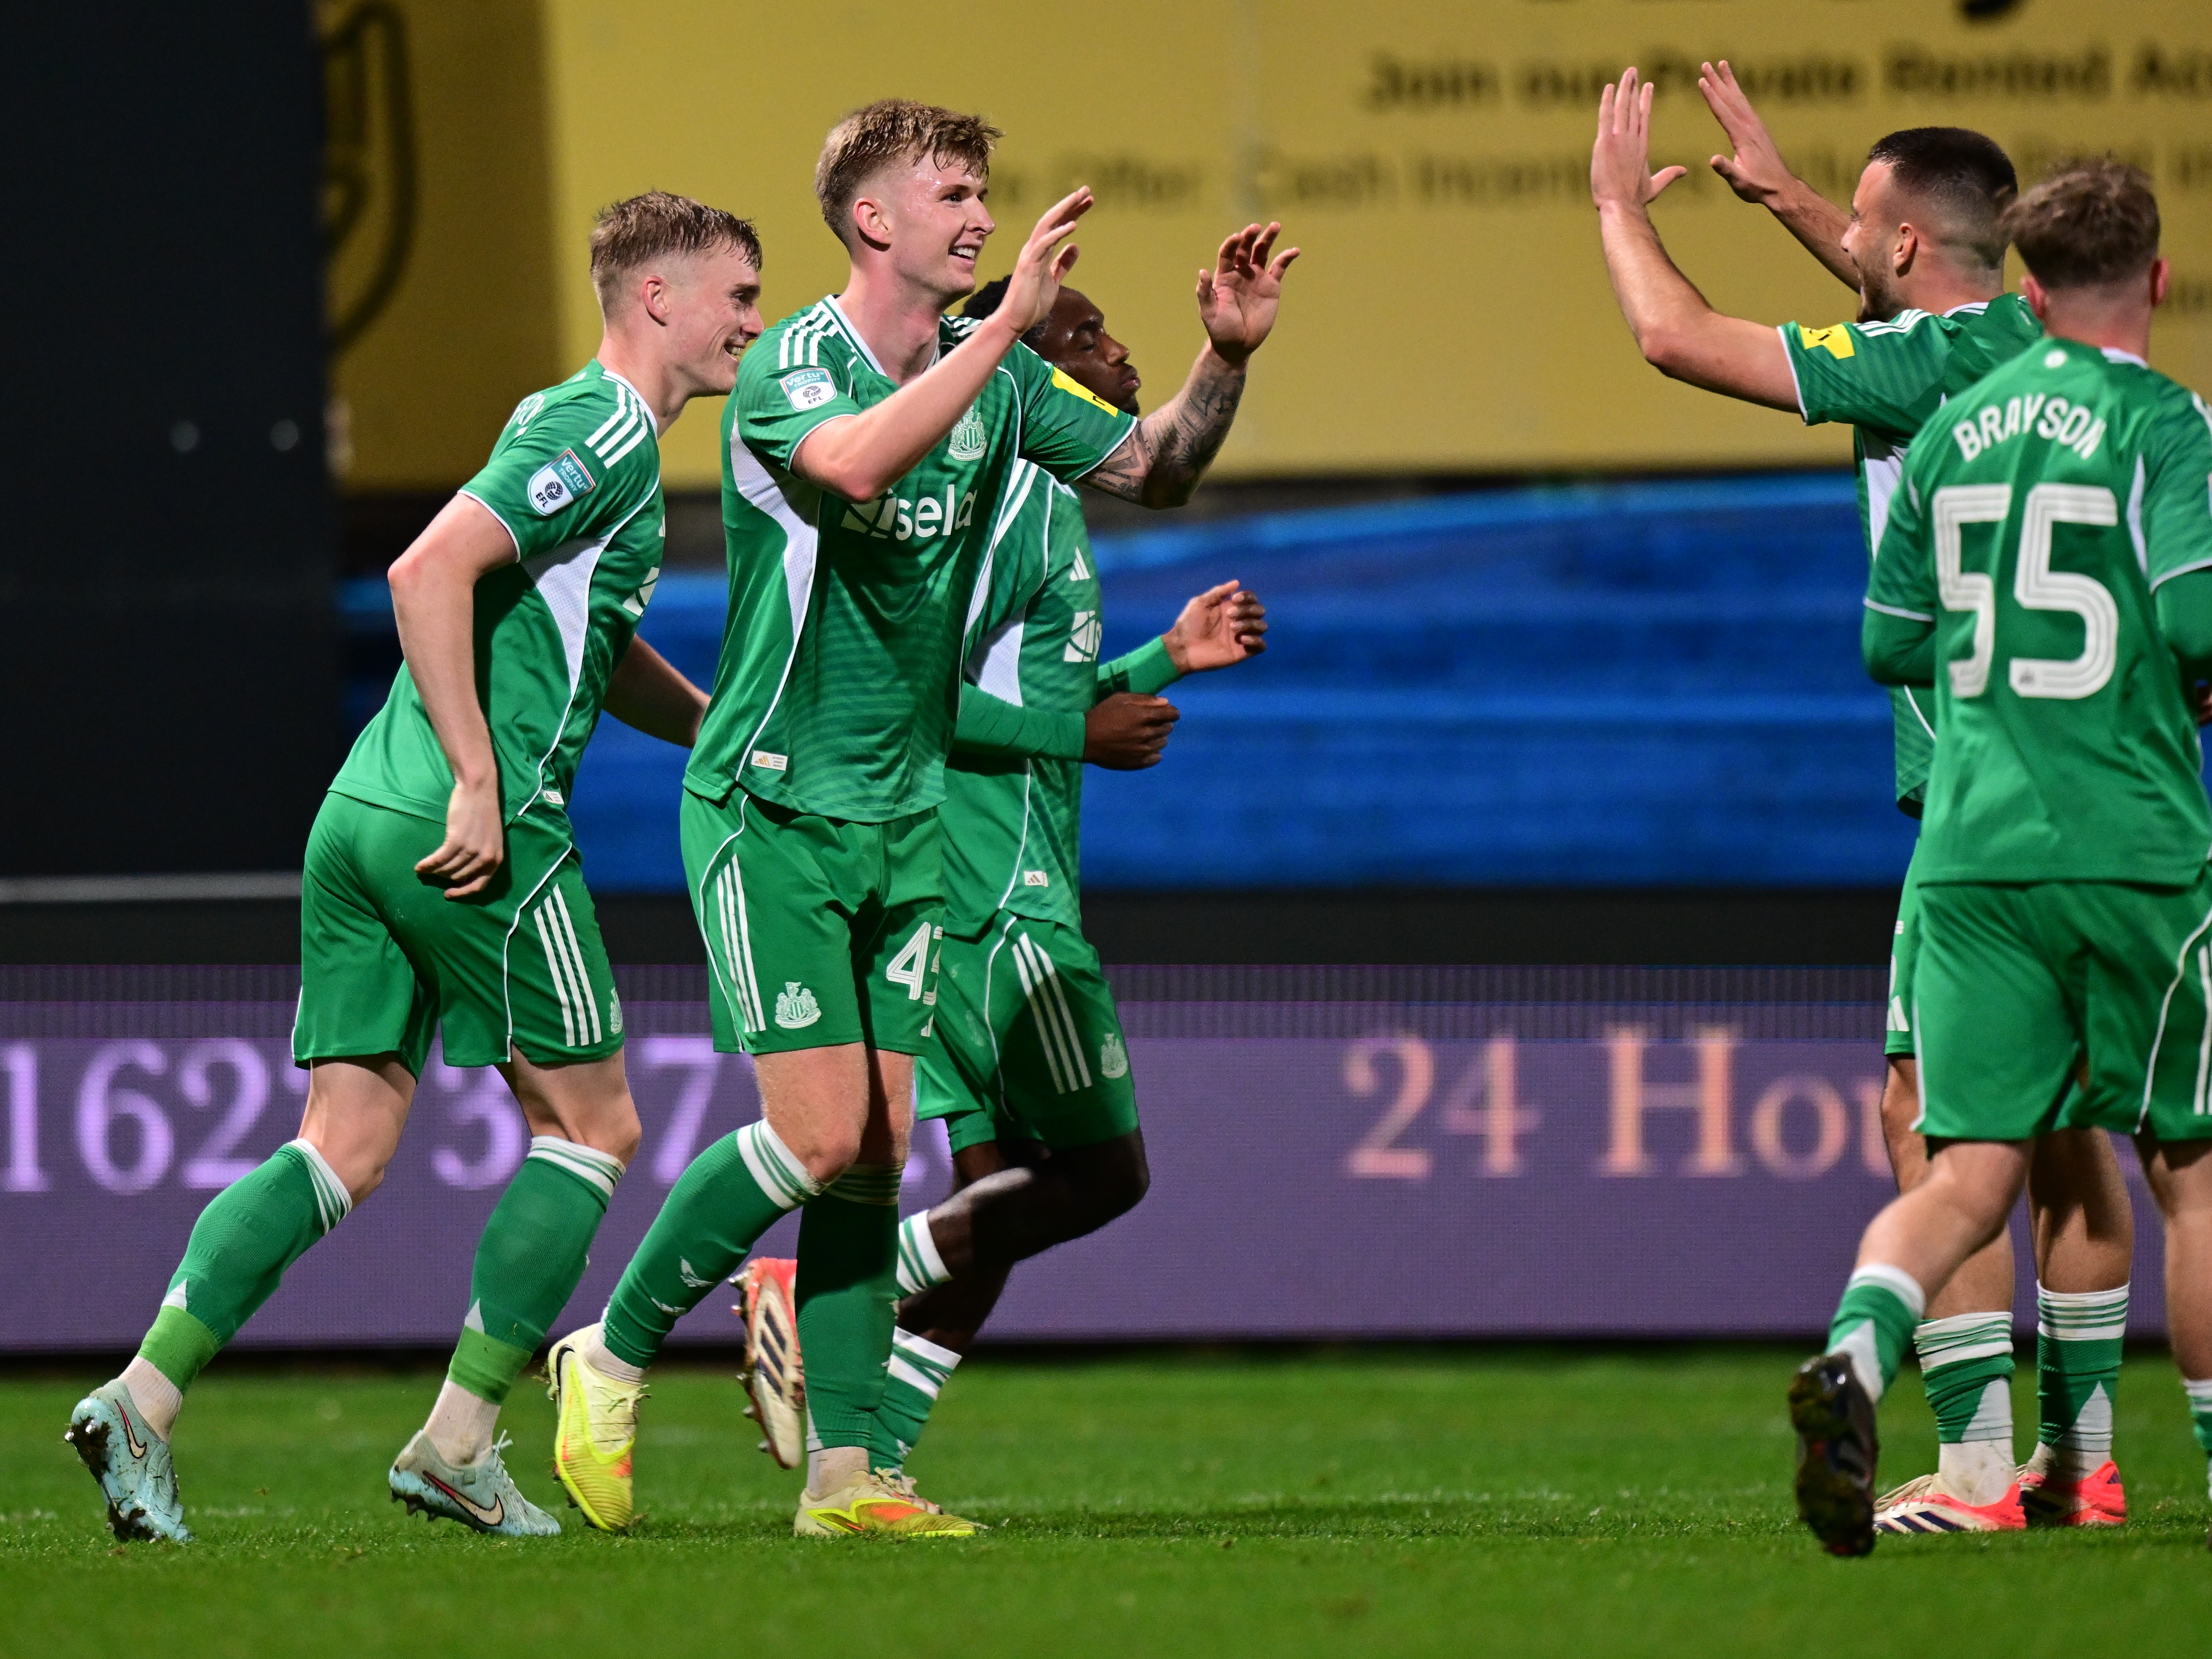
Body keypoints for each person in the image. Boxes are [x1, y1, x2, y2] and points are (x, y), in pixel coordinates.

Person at [544, 99, 1297, 1540]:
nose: (980, 215)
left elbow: (1157, 467)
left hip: (903, 820)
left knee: (886, 1150)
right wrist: (1009, 332)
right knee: (824, 1142)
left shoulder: (988, 372)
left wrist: (1226, 358)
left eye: (985, 192)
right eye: (955, 192)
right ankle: (614, 1346)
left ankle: (846, 1481)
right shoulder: (789, 368)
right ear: (874, 219)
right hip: (772, 801)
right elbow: (853, 470)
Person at [65, 193, 764, 1542]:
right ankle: (458, 1441)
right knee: (594, 1129)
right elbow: (425, 569)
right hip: (467, 828)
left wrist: (723, 730)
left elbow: (587, 640)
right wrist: (483, 779)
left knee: (345, 1144)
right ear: (660, 299)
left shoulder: (553, 420)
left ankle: (143, 1399)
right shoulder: (605, 428)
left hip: (362, 815)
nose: (753, 320)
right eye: (738, 294)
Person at [1591, 64, 2133, 1533]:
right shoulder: (2042, 343)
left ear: (1904, 251)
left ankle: (1969, 1469)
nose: (1858, 249)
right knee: (2074, 1130)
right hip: (2117, 798)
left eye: (1866, 230)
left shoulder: (1918, 368)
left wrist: (1609, 211)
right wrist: (1785, 197)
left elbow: (1672, 337)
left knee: (1932, 1114)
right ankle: (2081, 1466)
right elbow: (1909, 279)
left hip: (1978, 801)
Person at [731, 277, 1269, 1484]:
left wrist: (1157, 658)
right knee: (1102, 1175)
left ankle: (866, 1460)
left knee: (1006, 1202)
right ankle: (828, 1280)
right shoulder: (1003, 498)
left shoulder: (1031, 503)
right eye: (1083, 334)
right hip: (996, 895)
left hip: (967, 887)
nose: (1116, 349)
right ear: (1009, 362)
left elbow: (1023, 685)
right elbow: (930, 692)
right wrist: (1080, 735)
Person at [1795, 159, 2212, 1557]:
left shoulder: (1956, 425)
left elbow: (1888, 642)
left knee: (1963, 1169)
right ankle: (2153, 1471)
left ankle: (1859, 1351)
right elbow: (2201, 631)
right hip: (2133, 839)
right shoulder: (2169, 425)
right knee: (2189, 1172)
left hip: (1971, 845)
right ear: (2156, 279)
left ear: (2029, 289)